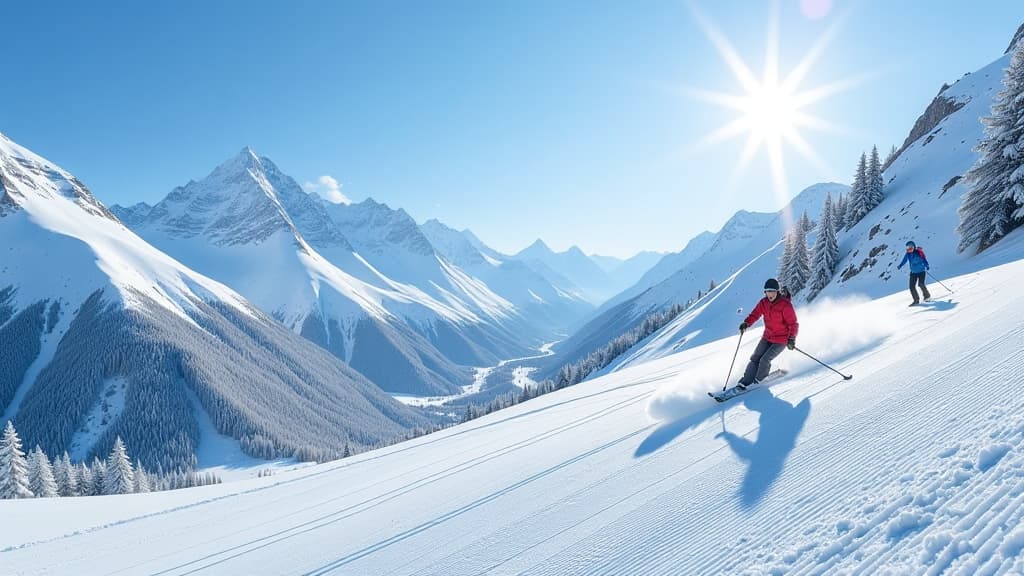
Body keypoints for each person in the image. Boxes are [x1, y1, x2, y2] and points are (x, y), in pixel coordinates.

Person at [736, 278, 799, 390]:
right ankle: (745, 382)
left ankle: (759, 381)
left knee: (765, 359)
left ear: (777, 291)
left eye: (772, 291)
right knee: (755, 358)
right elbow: (755, 314)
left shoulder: (785, 305)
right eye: (768, 291)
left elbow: (793, 324)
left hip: (781, 340)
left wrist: (791, 339)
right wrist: (746, 323)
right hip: (767, 336)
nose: (770, 294)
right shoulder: (763, 303)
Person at [897, 240, 931, 306]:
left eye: (910, 247)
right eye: (907, 247)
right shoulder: (908, 254)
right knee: (911, 286)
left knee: (921, 284)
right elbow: (904, 260)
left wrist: (927, 265)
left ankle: (927, 296)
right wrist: (900, 265)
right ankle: (916, 300)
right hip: (913, 272)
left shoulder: (919, 252)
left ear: (914, 247)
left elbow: (924, 259)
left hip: (921, 271)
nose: (909, 249)